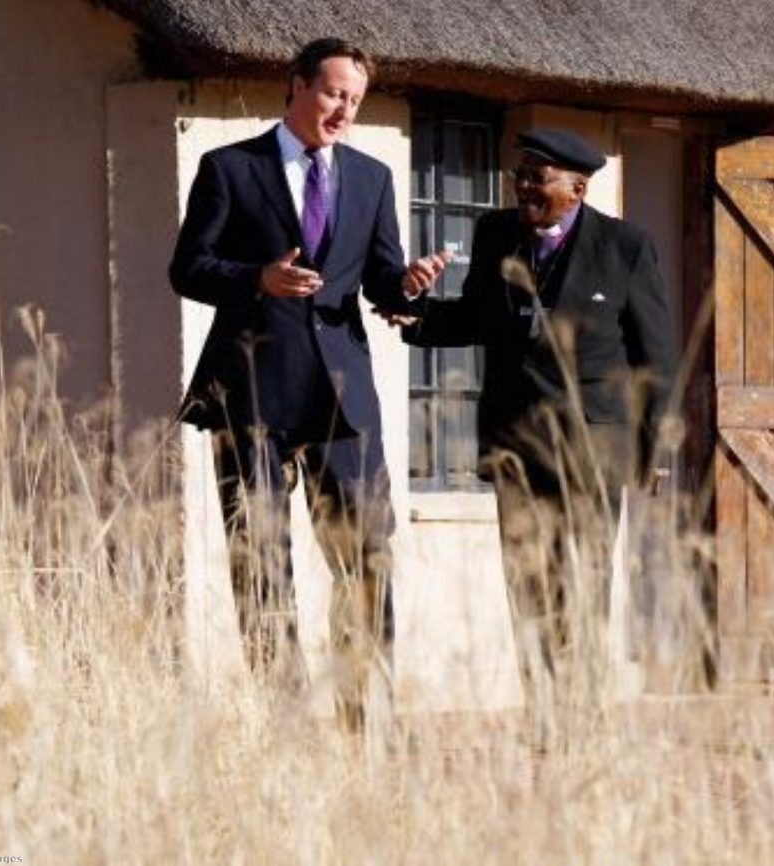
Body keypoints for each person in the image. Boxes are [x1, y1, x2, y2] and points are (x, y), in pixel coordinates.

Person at [169, 37, 448, 731]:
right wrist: (254, 279)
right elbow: (188, 268)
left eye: (354, 100)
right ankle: (284, 722)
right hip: (251, 391)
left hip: (344, 399)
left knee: (366, 562)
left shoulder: (373, 178)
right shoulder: (230, 169)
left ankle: (365, 721)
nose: (343, 110)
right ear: (295, 86)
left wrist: (406, 284)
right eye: (332, 93)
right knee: (260, 564)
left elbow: (380, 280)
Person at [401, 128, 677, 740]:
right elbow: (475, 317)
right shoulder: (495, 233)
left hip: (593, 449)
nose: (524, 186)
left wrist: (653, 450)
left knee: (582, 581)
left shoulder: (626, 246)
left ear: (576, 188)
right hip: (515, 442)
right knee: (527, 580)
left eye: (538, 177)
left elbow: (654, 354)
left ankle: (582, 715)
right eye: (520, 175)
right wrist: (414, 313)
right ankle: (545, 716)